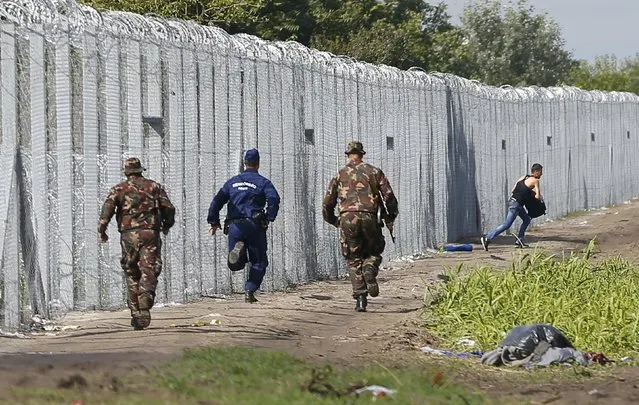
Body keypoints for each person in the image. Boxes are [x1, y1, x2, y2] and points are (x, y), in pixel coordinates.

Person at [98, 157, 175, 330]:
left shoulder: (118, 189)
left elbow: (107, 210)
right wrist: (167, 224)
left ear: (126, 172)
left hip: (128, 235)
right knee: (149, 267)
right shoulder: (154, 187)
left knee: (131, 270)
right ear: (140, 170)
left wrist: (102, 230)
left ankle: (136, 312)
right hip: (149, 232)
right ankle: (145, 298)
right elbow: (168, 207)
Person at [322, 141, 398, 312]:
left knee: (353, 257)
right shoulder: (374, 172)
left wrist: (334, 220)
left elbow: (327, 203)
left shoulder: (340, 175)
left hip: (348, 218)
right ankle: (370, 268)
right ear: (362, 154)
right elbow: (389, 196)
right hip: (370, 217)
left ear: (348, 155)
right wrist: (390, 215)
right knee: (374, 251)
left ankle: (361, 299)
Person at [207, 148, 280, 303]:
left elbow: (216, 201)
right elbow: (274, 199)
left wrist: (214, 222)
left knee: (235, 265)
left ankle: (238, 251)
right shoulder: (264, 182)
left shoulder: (232, 182)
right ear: (258, 164)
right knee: (259, 261)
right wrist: (269, 217)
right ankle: (249, 290)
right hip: (254, 225)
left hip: (234, 226)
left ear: (244, 163)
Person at [481, 163, 543, 251]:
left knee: (526, 219)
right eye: (540, 172)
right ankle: (487, 238)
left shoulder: (523, 177)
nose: (541, 174)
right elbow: (537, 197)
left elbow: (513, 190)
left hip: (513, 202)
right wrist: (534, 195)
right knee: (506, 225)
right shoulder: (535, 181)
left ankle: (519, 241)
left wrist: (526, 192)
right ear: (536, 172)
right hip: (516, 205)